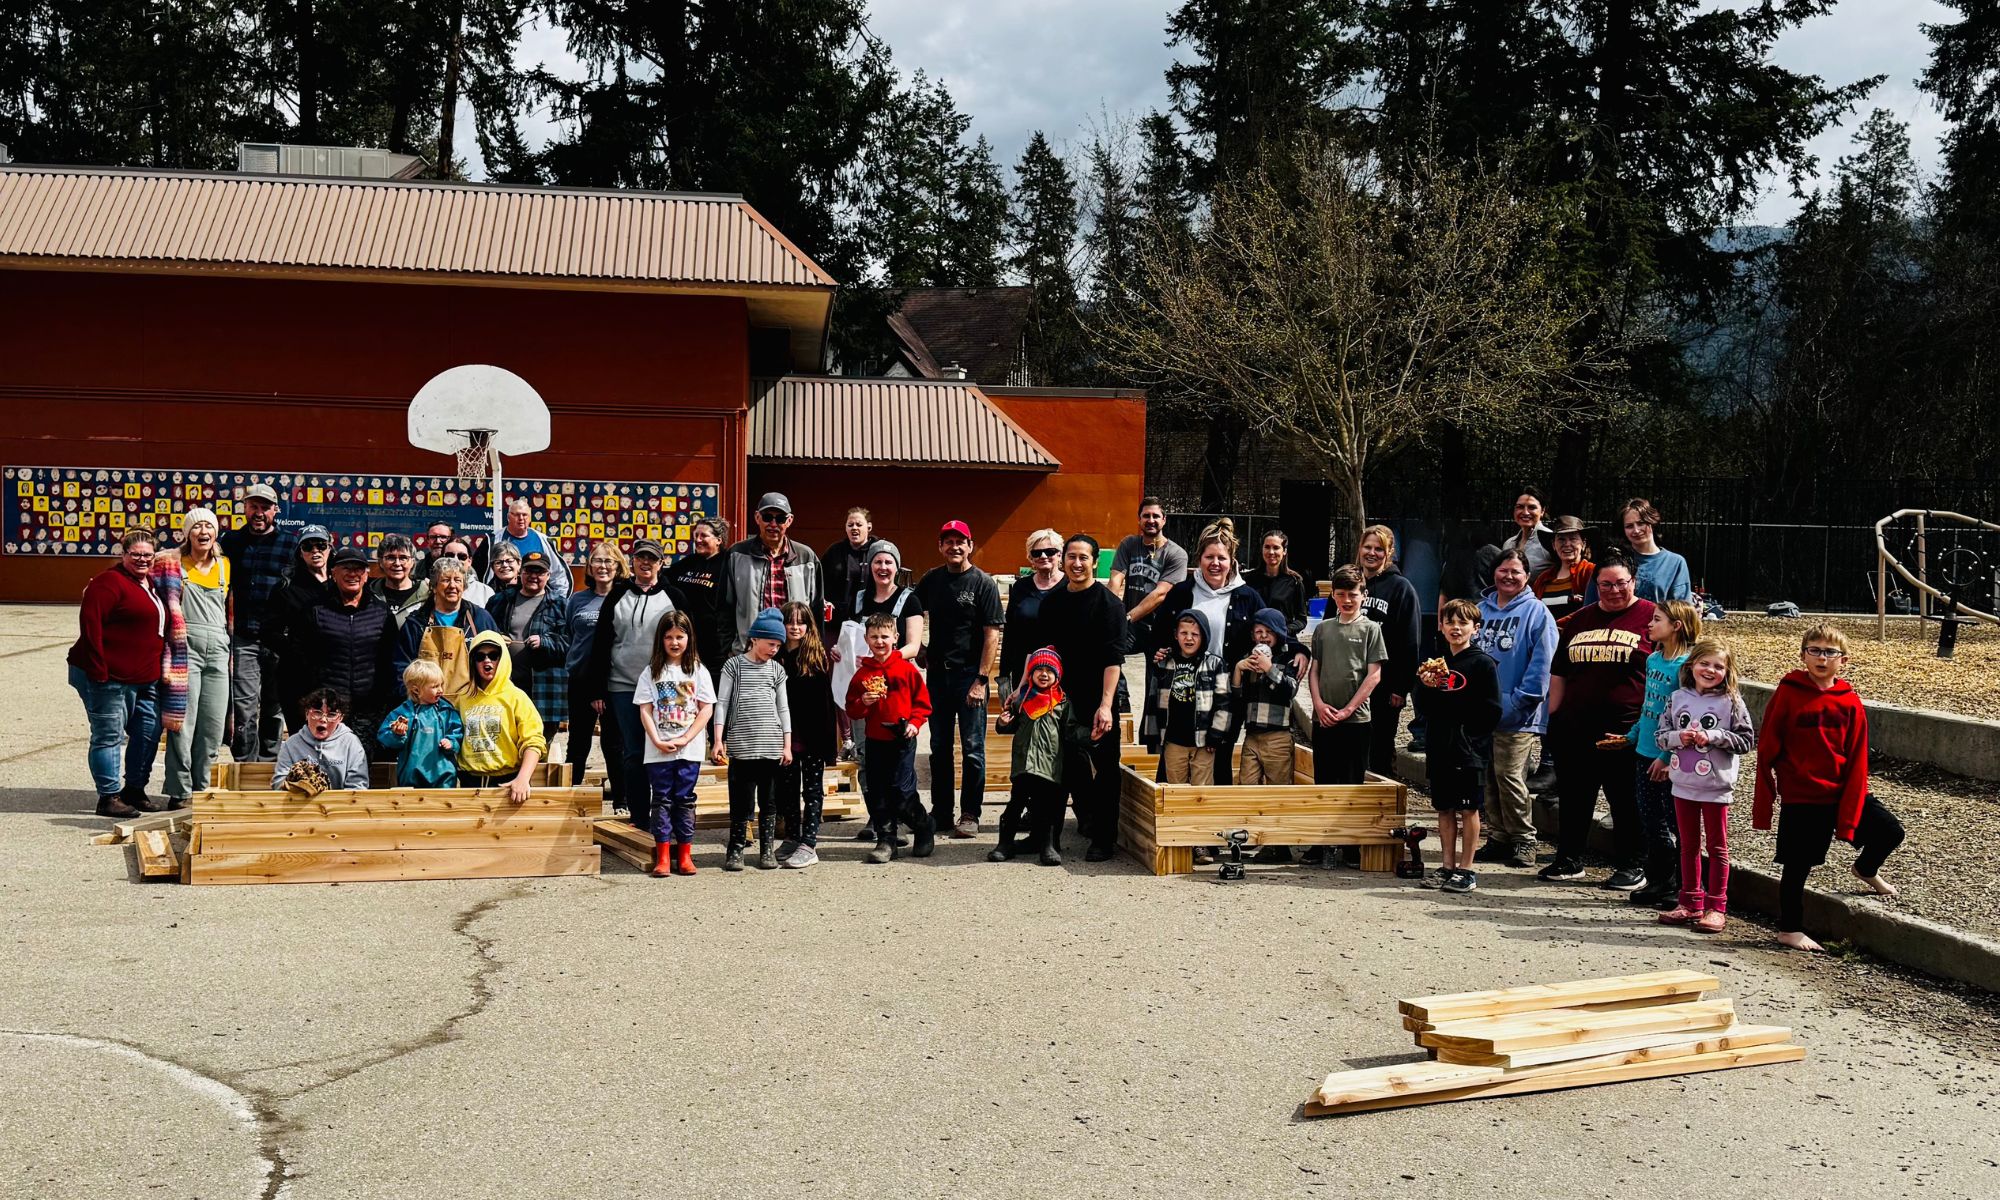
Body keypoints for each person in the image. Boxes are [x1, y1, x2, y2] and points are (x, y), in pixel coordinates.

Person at [1752, 623, 1904, 952]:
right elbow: (1768, 746)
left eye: (1830, 652)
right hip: (1804, 795)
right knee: (1798, 864)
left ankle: (1865, 869)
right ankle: (1789, 929)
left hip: (1843, 790)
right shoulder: (1789, 692)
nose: (1822, 658)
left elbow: (1858, 752)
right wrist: (1769, 794)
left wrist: (1854, 793)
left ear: (1843, 660)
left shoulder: (1849, 701)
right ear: (1804, 655)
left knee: (1890, 831)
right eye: (1815, 650)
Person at [1538, 553, 1656, 890]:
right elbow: (1559, 671)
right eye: (1606, 584)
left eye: (1621, 582)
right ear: (1596, 585)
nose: (1614, 590)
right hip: (1574, 726)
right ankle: (1570, 859)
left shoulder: (1650, 617)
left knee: (1624, 799)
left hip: (1626, 729)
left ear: (1634, 582)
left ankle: (1632, 864)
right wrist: (1554, 718)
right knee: (1575, 797)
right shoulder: (1582, 619)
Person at [579, 538, 687, 833]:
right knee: (633, 752)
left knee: (667, 750)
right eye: (641, 557)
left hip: (665, 685)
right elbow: (601, 643)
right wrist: (597, 689)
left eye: (652, 558)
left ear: (660, 563)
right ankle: (640, 816)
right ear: (633, 561)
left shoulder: (674, 596)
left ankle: (667, 816)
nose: (646, 563)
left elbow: (687, 640)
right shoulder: (616, 595)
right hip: (622, 685)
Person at [1151, 518, 1264, 784]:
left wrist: (1296, 650)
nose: (1215, 563)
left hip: (1225, 691)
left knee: (1219, 753)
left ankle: (1216, 819)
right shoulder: (1182, 592)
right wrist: (1161, 652)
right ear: (1199, 558)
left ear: (1232, 560)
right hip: (1184, 688)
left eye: (1221, 558)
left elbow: (1268, 629)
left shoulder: (1247, 595)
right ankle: (1171, 819)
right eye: (1209, 556)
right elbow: (1159, 633)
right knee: (1176, 754)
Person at [1655, 639, 1754, 932]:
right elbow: (1661, 735)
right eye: (1704, 663)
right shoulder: (1676, 698)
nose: (1710, 670)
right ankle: (1689, 902)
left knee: (1717, 847)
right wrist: (1678, 738)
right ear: (1691, 666)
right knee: (1687, 845)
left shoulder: (1732, 702)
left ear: (1728, 671)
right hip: (1682, 783)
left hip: (1716, 787)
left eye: (1718, 666)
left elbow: (1746, 740)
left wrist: (1714, 736)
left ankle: (1716, 906)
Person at [830, 539, 924, 845]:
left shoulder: (909, 599)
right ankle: (878, 817)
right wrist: (838, 650)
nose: (883, 568)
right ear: (869, 566)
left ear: (897, 567)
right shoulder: (857, 599)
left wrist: (882, 660)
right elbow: (847, 635)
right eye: (877, 562)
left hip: (897, 685)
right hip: (864, 686)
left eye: (888, 562)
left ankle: (904, 815)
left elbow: (912, 645)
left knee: (898, 762)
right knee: (866, 756)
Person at [68, 528, 167, 817]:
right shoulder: (108, 583)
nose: (142, 559)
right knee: (108, 735)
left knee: (148, 732)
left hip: (145, 679)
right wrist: (100, 670)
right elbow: (90, 626)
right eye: (135, 554)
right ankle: (108, 797)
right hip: (109, 677)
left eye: (147, 555)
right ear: (122, 554)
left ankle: (134, 789)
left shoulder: (149, 584)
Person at [915, 519, 1004, 838]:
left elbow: (991, 634)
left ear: (970, 545)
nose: (955, 546)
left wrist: (981, 680)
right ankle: (941, 813)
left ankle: (970, 814)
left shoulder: (983, 583)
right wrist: (919, 647)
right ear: (940, 546)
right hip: (938, 677)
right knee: (939, 747)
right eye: (948, 541)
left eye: (960, 541)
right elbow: (907, 613)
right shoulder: (932, 580)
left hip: (970, 678)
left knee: (972, 748)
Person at [1473, 549, 1557, 870]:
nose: (1508, 576)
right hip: (1483, 712)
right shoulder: (1480, 610)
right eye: (1503, 570)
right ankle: (1499, 836)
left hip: (1517, 713)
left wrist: (1522, 699)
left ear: (1527, 576)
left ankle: (1524, 838)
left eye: (1516, 572)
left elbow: (1543, 662)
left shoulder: (1537, 613)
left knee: (1510, 775)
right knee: (1489, 777)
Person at [275, 545, 401, 758]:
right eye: (346, 568)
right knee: (324, 769)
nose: (352, 574)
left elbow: (390, 662)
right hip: (327, 710)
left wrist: (383, 703)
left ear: (367, 574)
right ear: (333, 572)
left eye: (358, 569)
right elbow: (297, 659)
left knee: (361, 770)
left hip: (368, 711)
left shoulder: (381, 613)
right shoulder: (314, 610)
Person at [1414, 600, 1501, 893]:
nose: (1455, 628)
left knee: (1469, 809)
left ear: (1475, 629)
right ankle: (1447, 864)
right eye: (1450, 622)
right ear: (1441, 626)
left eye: (1463, 623)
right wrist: (1424, 688)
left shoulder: (1482, 663)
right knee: (1444, 807)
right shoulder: (1435, 663)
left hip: (1469, 750)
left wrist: (1470, 737)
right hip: (1440, 745)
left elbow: (1492, 711)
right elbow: (1423, 708)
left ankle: (1467, 869)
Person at [1624, 598, 1703, 908]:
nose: (1650, 624)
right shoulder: (1653, 659)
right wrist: (1631, 736)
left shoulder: (1687, 667)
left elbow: (1686, 717)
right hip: (1644, 751)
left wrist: (1669, 757)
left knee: (1677, 822)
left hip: (1672, 758)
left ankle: (1685, 887)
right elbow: (1650, 707)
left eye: (1657, 620)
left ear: (1676, 626)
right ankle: (1659, 880)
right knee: (1650, 820)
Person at [845, 611, 936, 865]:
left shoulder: (907, 670)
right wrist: (863, 702)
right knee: (878, 791)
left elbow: (923, 704)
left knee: (902, 791)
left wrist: (916, 724)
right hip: (875, 739)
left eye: (885, 636)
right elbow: (851, 708)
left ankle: (923, 824)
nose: (880, 642)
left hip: (903, 739)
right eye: (874, 637)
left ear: (895, 637)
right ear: (867, 639)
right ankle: (886, 839)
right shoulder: (862, 675)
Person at [219, 483, 297, 761]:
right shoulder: (229, 542)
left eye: (265, 507)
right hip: (244, 636)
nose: (259, 512)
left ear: (275, 510)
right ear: (245, 508)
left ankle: (269, 761)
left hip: (278, 638)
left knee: (274, 706)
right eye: (254, 506)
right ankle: (244, 763)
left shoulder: (291, 543)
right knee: (244, 705)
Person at [634, 609, 714, 878]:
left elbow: (706, 709)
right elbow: (645, 709)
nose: (675, 642)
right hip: (658, 751)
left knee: (685, 800)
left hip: (688, 750)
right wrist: (656, 739)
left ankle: (686, 855)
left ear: (689, 638)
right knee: (662, 801)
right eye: (669, 637)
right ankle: (663, 856)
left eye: (680, 636)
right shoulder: (651, 672)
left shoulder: (698, 671)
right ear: (661, 640)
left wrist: (686, 738)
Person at [714, 607, 793, 872]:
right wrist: (717, 739)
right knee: (741, 800)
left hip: (770, 745)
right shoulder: (733, 666)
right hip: (742, 745)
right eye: (771, 643)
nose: (774, 649)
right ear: (755, 639)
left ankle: (767, 849)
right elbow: (722, 703)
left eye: (779, 645)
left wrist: (787, 743)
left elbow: (783, 708)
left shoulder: (777, 671)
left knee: (769, 801)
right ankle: (735, 849)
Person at [159, 508, 229, 807]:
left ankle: (202, 789)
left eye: (208, 526)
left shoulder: (225, 566)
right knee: (182, 724)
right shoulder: (172, 563)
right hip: (185, 651)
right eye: (197, 526)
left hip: (219, 652)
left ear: (215, 533)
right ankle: (180, 791)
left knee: (212, 726)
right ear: (187, 533)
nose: (203, 531)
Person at [990, 647, 1071, 866]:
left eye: (1049, 671)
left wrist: (1090, 735)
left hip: (1049, 766)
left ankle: (1047, 846)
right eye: (1038, 670)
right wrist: (1002, 723)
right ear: (1031, 673)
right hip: (1023, 765)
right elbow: (1008, 728)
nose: (1044, 674)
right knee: (1015, 804)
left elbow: (1070, 732)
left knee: (1046, 807)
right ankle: (1004, 844)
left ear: (1057, 675)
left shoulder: (1062, 704)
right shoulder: (1021, 701)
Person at [1308, 565, 1386, 788]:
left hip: (1356, 720)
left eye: (1353, 594)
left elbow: (1374, 675)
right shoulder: (1323, 629)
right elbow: (1315, 670)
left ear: (1363, 595)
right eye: (1341, 594)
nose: (1347, 600)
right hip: (1323, 718)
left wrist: (1348, 710)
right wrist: (1318, 705)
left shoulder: (1371, 629)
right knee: (1324, 780)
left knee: (1351, 782)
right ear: (1333, 595)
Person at [564, 540, 628, 809]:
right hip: (580, 679)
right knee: (577, 742)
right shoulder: (578, 599)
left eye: (609, 561)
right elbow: (570, 634)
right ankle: (570, 798)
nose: (603, 566)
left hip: (614, 680)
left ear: (618, 566)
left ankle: (621, 800)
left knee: (614, 744)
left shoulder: (626, 598)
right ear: (589, 566)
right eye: (598, 561)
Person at [1109, 497, 1188, 711]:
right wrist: (1109, 613)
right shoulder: (1129, 544)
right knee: (1104, 648)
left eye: (1155, 516)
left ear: (1164, 520)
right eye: (1146, 516)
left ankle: (1151, 733)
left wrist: (1126, 617)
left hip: (1160, 628)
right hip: (1132, 625)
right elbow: (1116, 579)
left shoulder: (1176, 554)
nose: (1150, 520)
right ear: (1139, 520)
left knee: (1155, 687)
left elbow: (1160, 594)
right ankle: (1121, 699)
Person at [775, 600, 837, 869]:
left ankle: (809, 843)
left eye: (801, 622)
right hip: (784, 737)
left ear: (809, 625)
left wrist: (827, 745)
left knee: (812, 791)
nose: (795, 627)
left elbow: (825, 704)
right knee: (786, 789)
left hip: (811, 735)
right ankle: (792, 835)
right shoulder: (775, 656)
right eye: (790, 621)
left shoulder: (815, 656)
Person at [1356, 524, 1421, 778]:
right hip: (1348, 681)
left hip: (1384, 685)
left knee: (1380, 747)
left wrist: (1401, 687)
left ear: (1389, 552)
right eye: (1367, 547)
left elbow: (1410, 641)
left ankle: (1382, 804)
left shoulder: (1401, 588)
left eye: (1378, 549)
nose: (1371, 553)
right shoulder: (1350, 582)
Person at [725, 492, 823, 656]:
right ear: (757, 518)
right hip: (750, 650)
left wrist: (815, 650)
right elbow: (725, 608)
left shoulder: (807, 557)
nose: (773, 524)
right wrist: (727, 650)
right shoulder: (736, 554)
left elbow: (816, 610)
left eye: (780, 519)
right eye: (767, 517)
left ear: (789, 520)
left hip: (794, 652)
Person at [454, 630, 547, 802]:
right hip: (468, 783)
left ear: (502, 659)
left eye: (493, 655)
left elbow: (534, 741)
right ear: (472, 662)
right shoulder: (461, 698)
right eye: (480, 656)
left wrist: (523, 778)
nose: (487, 661)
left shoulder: (516, 697)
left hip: (508, 783)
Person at [485, 551, 571, 732]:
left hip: (544, 689)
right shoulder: (499, 601)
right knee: (506, 737)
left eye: (539, 572)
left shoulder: (561, 605)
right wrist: (496, 638)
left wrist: (545, 642)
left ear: (548, 575)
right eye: (528, 570)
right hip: (506, 684)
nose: (533, 576)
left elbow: (570, 644)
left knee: (541, 740)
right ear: (520, 572)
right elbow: (485, 635)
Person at [261, 524, 331, 732]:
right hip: (297, 677)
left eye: (320, 545)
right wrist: (296, 651)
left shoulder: (341, 583)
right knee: (301, 733)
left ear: (330, 547)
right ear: (300, 552)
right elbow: (268, 631)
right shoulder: (286, 588)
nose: (315, 551)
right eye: (308, 546)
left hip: (335, 673)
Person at [1146, 611, 1232, 782]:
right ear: (1176, 635)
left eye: (1195, 634)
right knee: (1175, 791)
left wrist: (1216, 735)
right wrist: (1153, 735)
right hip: (1173, 741)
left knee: (1201, 792)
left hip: (1203, 743)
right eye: (1184, 633)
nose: (1189, 639)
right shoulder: (1165, 661)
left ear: (1204, 636)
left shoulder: (1215, 664)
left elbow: (1224, 704)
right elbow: (1153, 699)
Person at [394, 558, 499, 695]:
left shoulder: (480, 619)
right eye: (445, 580)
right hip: (427, 708)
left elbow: (498, 662)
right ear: (434, 586)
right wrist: (415, 699)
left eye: (458, 580)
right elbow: (402, 667)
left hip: (471, 705)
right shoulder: (416, 622)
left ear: (464, 586)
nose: (452, 585)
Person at [1234, 608, 1300, 786]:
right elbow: (1237, 695)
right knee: (1246, 785)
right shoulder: (1249, 657)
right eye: (1259, 632)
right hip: (1252, 736)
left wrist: (1269, 668)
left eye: (1269, 632)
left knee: (1278, 787)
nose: (1263, 636)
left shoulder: (1289, 659)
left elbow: (1291, 690)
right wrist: (1239, 669)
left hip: (1278, 736)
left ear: (1279, 633)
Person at [378, 658, 465, 788]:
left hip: (443, 779)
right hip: (411, 779)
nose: (440, 690)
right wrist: (397, 734)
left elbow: (457, 731)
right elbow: (384, 736)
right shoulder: (403, 713)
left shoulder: (446, 710)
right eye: (435, 686)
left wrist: (451, 742)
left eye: (441, 684)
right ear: (416, 690)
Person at [665, 516, 734, 677]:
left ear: (718, 539)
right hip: (685, 643)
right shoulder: (688, 562)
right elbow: (662, 580)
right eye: (696, 536)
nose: (698, 540)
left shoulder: (729, 562)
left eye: (703, 536)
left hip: (716, 647)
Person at [999, 528, 1066, 693]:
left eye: (1050, 551)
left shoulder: (1071, 586)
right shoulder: (1021, 587)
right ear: (1031, 558)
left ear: (1060, 555)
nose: (1043, 556)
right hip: (1024, 669)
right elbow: (1010, 632)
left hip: (1061, 669)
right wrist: (1003, 674)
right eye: (1037, 553)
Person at [1587, 498, 1691, 604]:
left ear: (1651, 522)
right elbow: (1590, 604)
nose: (1636, 530)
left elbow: (1682, 609)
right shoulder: (1613, 558)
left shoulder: (1675, 562)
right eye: (1629, 526)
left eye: (1641, 523)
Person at [274, 686, 371, 790]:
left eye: (331, 715)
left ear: (340, 718)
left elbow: (358, 786)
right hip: (299, 803)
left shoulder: (351, 743)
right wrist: (296, 785)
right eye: (317, 713)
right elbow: (278, 783)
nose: (323, 719)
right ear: (307, 713)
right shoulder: (291, 744)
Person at [493, 497, 570, 600]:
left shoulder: (545, 541)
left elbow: (559, 575)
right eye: (516, 514)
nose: (521, 518)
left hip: (537, 601)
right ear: (508, 517)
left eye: (525, 515)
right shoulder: (492, 540)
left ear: (530, 517)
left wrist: (558, 602)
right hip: (499, 601)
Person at [1241, 529, 1309, 637]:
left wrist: (1283, 631)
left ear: (1284, 551)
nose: (1271, 552)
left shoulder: (1294, 582)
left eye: (1276, 547)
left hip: (1283, 642)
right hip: (1254, 643)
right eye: (1267, 547)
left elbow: (1301, 620)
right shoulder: (1248, 580)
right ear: (1262, 549)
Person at [1531, 516, 1596, 625]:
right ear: (1553, 545)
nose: (1567, 544)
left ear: (1583, 544)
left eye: (1573, 539)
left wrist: (1555, 627)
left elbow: (1593, 608)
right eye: (1561, 539)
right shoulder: (1543, 579)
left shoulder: (1591, 572)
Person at [820, 506, 875, 620]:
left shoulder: (877, 550)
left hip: (869, 617)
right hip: (835, 617)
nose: (854, 528)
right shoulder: (834, 551)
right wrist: (823, 601)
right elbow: (818, 580)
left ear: (869, 527)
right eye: (850, 525)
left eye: (859, 525)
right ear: (845, 528)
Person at [368, 535, 431, 629]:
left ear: (413, 562)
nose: (397, 563)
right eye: (390, 558)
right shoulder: (369, 593)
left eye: (403, 558)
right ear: (380, 562)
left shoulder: (427, 594)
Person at [1501, 488, 1556, 580]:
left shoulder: (1551, 539)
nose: (1525, 512)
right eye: (1520, 507)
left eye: (1532, 507)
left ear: (1542, 511)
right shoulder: (1508, 544)